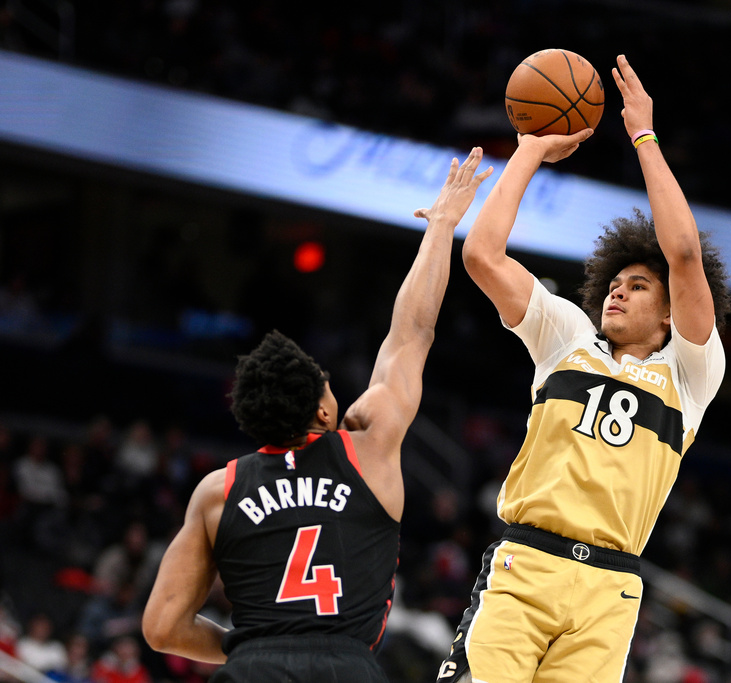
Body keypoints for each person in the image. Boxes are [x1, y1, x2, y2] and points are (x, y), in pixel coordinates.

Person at [142, 148, 493, 682]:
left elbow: (163, 627)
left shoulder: (218, 490)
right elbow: (412, 333)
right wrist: (443, 224)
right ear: (323, 407)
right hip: (345, 668)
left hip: (252, 670)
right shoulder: (369, 446)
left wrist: (251, 649)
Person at [436, 55, 731, 683]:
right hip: (526, 565)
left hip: (611, 592)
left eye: (639, 286)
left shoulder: (692, 373)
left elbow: (682, 253)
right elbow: (484, 255)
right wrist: (529, 152)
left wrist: (644, 136)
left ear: (671, 313)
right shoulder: (569, 336)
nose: (617, 294)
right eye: (614, 284)